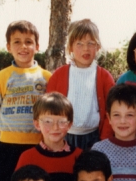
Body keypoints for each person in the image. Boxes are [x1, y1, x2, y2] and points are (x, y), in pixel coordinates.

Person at [0, 20, 51, 181]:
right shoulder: (2, 76)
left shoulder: (46, 77)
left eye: (28, 41)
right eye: (17, 42)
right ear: (8, 47)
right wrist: (3, 133)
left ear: (37, 46)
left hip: (37, 146)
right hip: (8, 147)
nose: (23, 47)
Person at [45, 19, 115, 150]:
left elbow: (111, 111)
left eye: (91, 43)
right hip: (64, 135)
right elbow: (47, 109)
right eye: (79, 44)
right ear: (70, 47)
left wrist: (104, 140)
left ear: (98, 46)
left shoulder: (104, 77)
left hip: (94, 137)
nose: (86, 49)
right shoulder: (59, 75)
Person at [10, 91, 82, 181]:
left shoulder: (79, 156)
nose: (55, 127)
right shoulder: (28, 157)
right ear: (37, 124)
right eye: (48, 121)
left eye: (61, 121)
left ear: (69, 124)